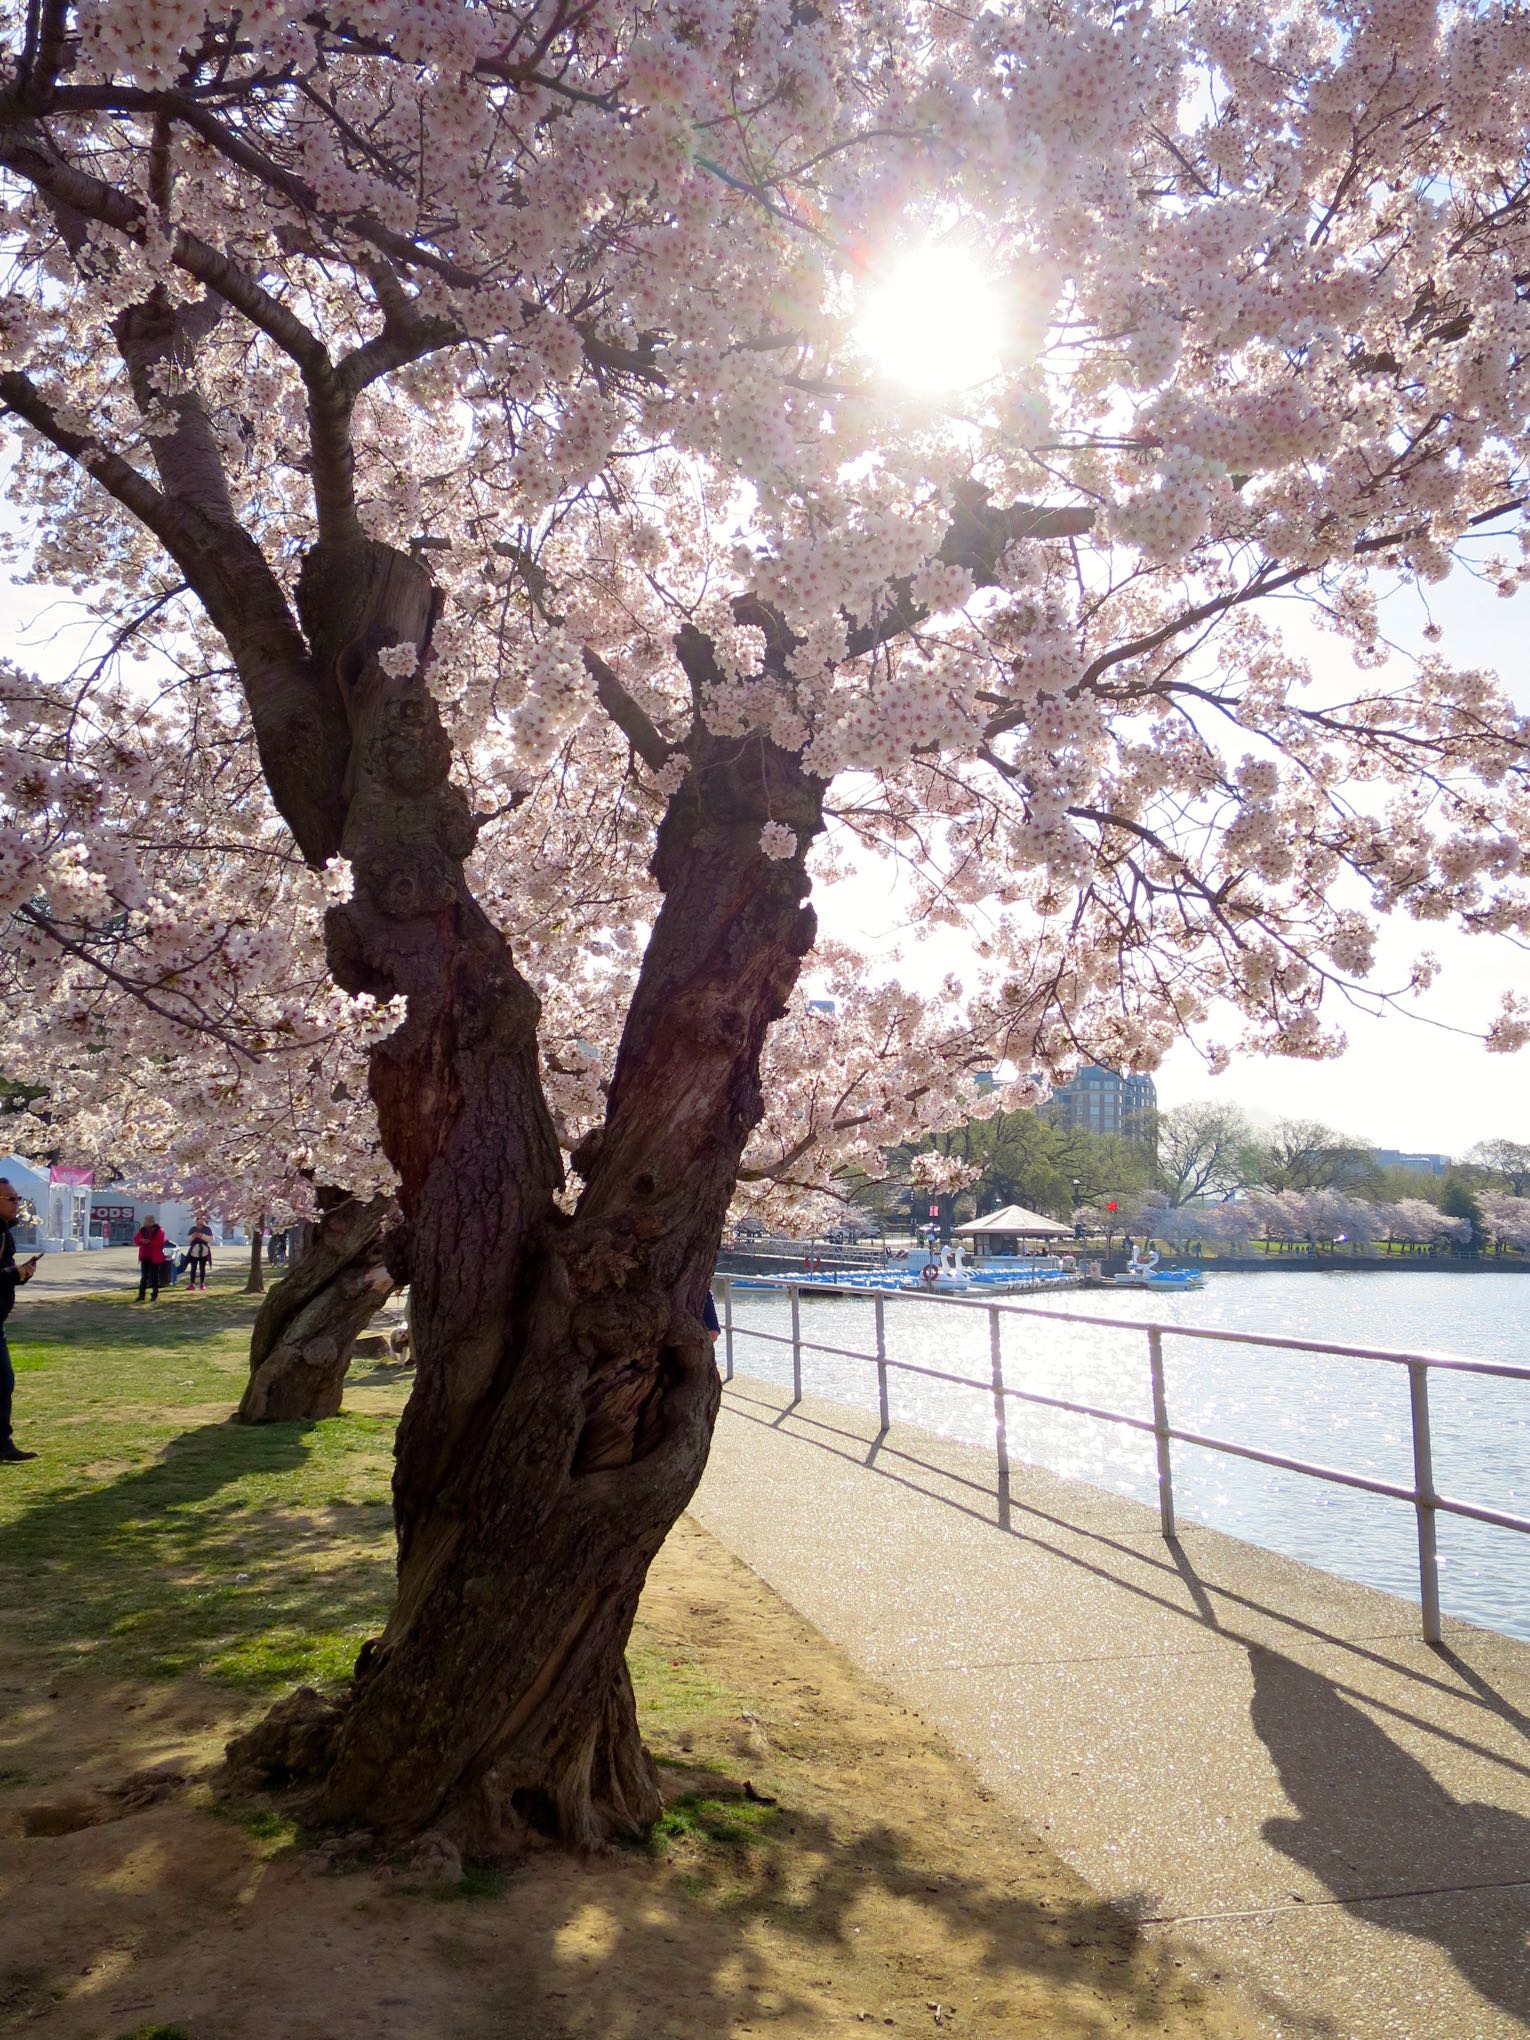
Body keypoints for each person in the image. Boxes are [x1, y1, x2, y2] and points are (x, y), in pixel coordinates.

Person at [0, 1179, 40, 1463]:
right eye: (10, 1198)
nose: (17, 1203)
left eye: (18, 1198)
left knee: (3, 1383)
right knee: (3, 1382)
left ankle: (3, 1444)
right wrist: (16, 1273)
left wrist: (21, 1275)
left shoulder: (5, 1233)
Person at [133, 1214, 169, 1302]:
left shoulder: (159, 1231)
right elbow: (136, 1239)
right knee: (144, 1277)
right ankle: (141, 1295)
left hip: (154, 1257)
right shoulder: (142, 1230)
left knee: (154, 1277)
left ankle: (154, 1295)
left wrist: (149, 1243)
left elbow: (160, 1243)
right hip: (145, 1256)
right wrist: (141, 1241)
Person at [185, 1216, 214, 1292]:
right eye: (197, 1219)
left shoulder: (207, 1229)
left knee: (202, 1268)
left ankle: (202, 1283)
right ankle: (192, 1284)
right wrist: (193, 1236)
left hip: (204, 1251)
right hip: (194, 1251)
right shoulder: (193, 1228)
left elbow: (211, 1239)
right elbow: (187, 1239)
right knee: (193, 1268)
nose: (199, 1221)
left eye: (200, 1219)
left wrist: (202, 1235)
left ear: (204, 1220)